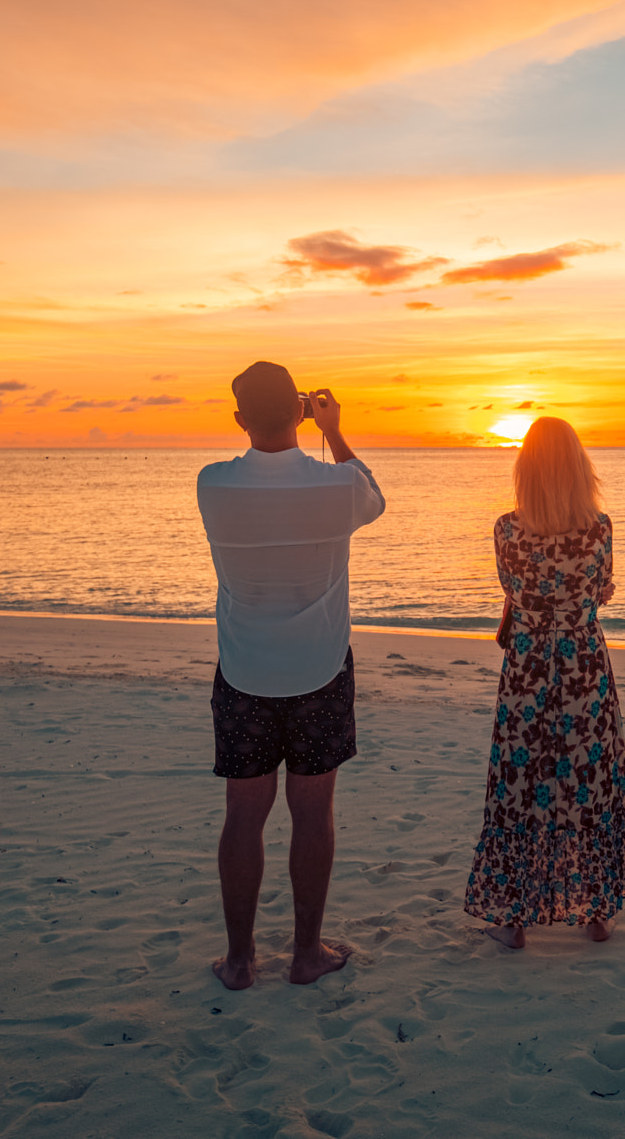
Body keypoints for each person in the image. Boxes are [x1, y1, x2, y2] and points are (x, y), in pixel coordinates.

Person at [196, 361, 385, 989]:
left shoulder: (213, 486)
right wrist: (333, 432)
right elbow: (372, 494)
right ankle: (306, 954)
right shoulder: (335, 487)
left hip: (246, 671)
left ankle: (242, 960)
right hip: (320, 670)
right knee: (312, 813)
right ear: (302, 411)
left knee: (243, 817)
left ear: (240, 419)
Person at [465, 416, 625, 948]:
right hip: (582, 665)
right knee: (589, 777)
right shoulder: (599, 528)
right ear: (579, 467)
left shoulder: (506, 529)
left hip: (526, 666)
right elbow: (601, 590)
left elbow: (512, 588)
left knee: (520, 783)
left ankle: (512, 918)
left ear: (525, 469)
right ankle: (596, 912)